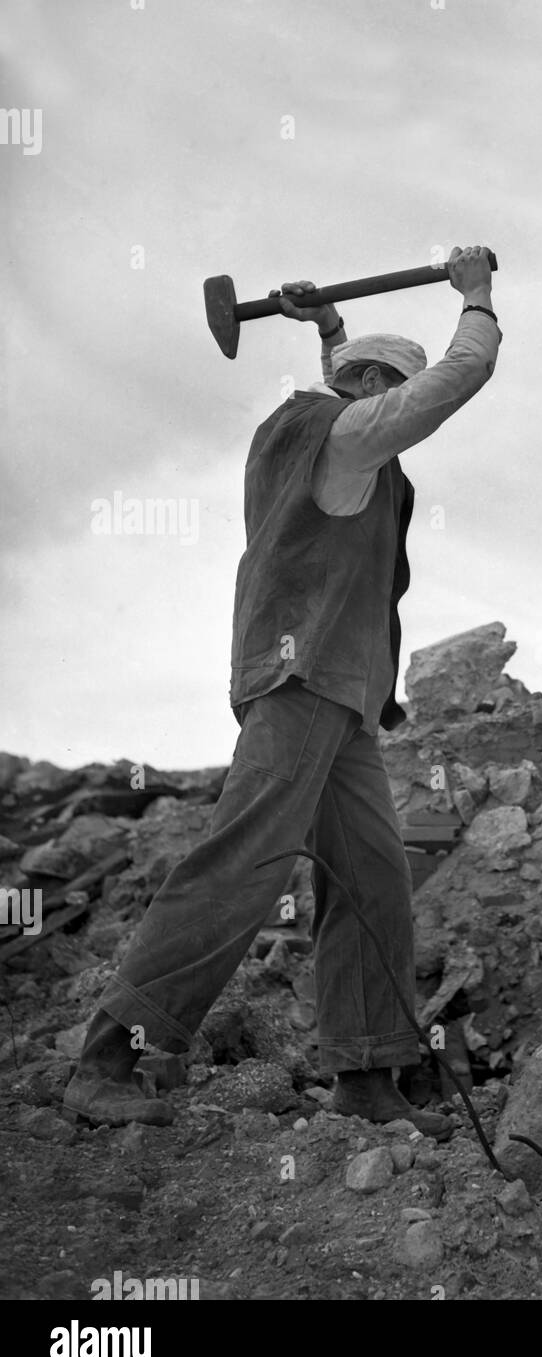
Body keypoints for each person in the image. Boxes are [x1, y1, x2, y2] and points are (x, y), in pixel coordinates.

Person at [63, 246, 501, 1135]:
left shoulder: (324, 436)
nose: (385, 410)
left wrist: (330, 328)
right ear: (372, 387)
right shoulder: (337, 434)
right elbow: (457, 377)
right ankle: (110, 1055)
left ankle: (368, 1077)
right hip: (303, 681)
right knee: (245, 862)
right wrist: (477, 295)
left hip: (344, 702)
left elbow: (354, 406)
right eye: (379, 389)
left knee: (374, 883)